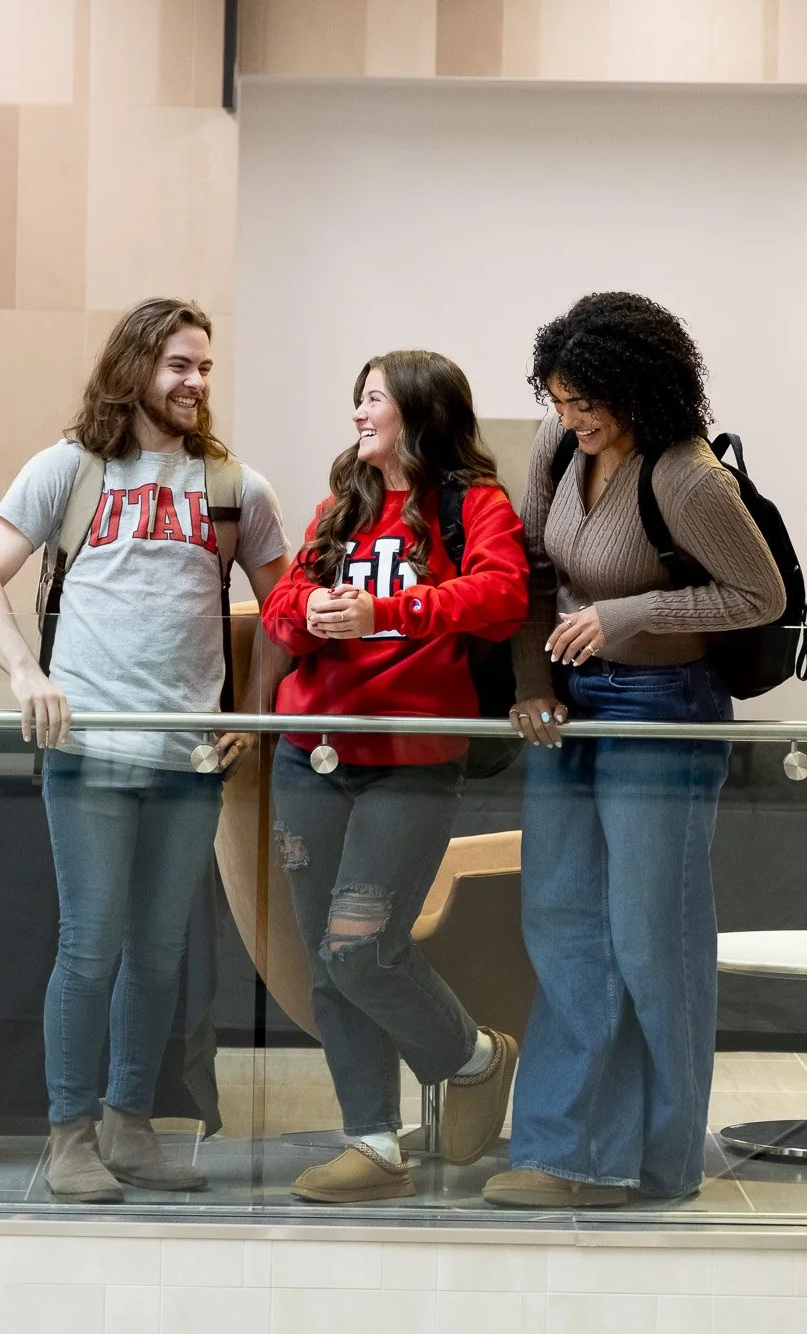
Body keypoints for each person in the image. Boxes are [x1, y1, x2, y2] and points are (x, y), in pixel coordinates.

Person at [0, 297, 289, 1203]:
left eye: (206, 368)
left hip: (190, 755)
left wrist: (251, 713)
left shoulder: (234, 488)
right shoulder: (69, 468)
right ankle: (70, 1135)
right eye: (180, 364)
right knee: (91, 944)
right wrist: (28, 675)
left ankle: (129, 1125)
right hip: (91, 748)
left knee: (160, 951)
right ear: (137, 365)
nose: (194, 382)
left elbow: (286, 612)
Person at [483, 293, 785, 1209]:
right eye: (560, 400)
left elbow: (758, 596)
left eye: (588, 405)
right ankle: (569, 1154)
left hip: (665, 703)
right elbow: (533, 571)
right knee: (563, 922)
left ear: (641, 391)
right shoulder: (555, 444)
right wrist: (530, 682)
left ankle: (658, 1161)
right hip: (567, 702)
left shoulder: (689, 477)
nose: (571, 422)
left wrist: (631, 613)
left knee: (653, 937)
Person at [261, 350, 530, 1203]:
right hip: (310, 756)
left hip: (408, 763)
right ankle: (372, 1144)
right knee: (324, 963)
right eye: (357, 399)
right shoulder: (340, 506)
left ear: (417, 410)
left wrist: (392, 610)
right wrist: (307, 612)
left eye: (372, 398)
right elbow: (277, 609)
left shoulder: (472, 504)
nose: (357, 414)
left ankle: (477, 1058)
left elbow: (504, 594)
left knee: (360, 952)